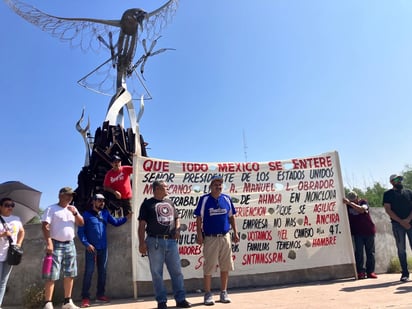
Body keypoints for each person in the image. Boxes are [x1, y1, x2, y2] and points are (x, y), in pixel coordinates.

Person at [138, 180, 191, 309]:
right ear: (156, 189)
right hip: (154, 241)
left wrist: (177, 229)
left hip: (171, 241)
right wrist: (141, 243)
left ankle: (181, 299)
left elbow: (177, 218)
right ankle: (161, 301)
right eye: (165, 187)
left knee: (177, 271)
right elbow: (142, 225)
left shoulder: (170, 202)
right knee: (157, 273)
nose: (168, 189)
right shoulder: (147, 204)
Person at [77, 193, 132, 308]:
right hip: (91, 249)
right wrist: (86, 244)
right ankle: (85, 297)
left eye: (103, 201)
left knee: (102, 272)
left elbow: (116, 223)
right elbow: (80, 232)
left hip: (103, 248)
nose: (102, 203)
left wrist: (127, 217)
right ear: (93, 201)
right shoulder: (85, 215)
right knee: (89, 272)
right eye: (99, 200)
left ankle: (100, 295)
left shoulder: (105, 214)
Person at [194, 175, 240, 306]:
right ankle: (208, 294)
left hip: (225, 237)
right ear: (211, 186)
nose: (218, 187)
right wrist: (199, 234)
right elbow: (198, 218)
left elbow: (232, 217)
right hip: (210, 238)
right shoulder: (204, 199)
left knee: (225, 265)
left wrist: (235, 232)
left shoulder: (226, 198)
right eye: (216, 185)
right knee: (209, 266)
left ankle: (223, 292)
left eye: (220, 185)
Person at [41, 187, 84, 309]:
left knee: (70, 273)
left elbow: (81, 223)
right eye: (67, 195)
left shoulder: (73, 209)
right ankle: (48, 303)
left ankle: (67, 301)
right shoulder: (51, 209)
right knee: (51, 274)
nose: (70, 197)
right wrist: (49, 242)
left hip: (70, 244)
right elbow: (45, 226)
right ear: (60, 195)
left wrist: (75, 213)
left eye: (71, 196)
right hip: (55, 243)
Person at [383, 174, 412, 282]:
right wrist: (401, 221)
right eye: (396, 180)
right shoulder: (388, 194)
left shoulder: (409, 192)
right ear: (391, 182)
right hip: (397, 225)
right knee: (401, 249)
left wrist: (408, 220)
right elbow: (388, 210)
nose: (399, 181)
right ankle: (405, 273)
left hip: (410, 223)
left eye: (400, 179)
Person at [343, 191, 377, 280]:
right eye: (351, 200)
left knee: (370, 252)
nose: (354, 201)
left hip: (368, 231)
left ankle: (370, 272)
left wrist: (350, 203)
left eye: (354, 199)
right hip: (357, 232)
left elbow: (362, 210)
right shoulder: (346, 206)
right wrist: (348, 204)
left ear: (357, 197)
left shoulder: (363, 202)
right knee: (359, 253)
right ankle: (360, 271)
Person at [0, 198, 24, 307]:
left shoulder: (16, 219)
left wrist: (18, 243)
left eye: (12, 205)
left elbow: (22, 232)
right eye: (7, 205)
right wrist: (3, 235)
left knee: (3, 282)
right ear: (0, 206)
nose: (10, 207)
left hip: (10, 255)